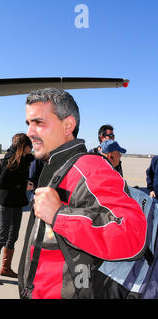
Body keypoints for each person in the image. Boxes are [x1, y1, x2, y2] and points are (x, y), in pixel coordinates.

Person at [18, 88, 147, 299]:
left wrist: (60, 215)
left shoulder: (89, 168)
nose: (30, 132)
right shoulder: (57, 166)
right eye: (28, 123)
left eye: (38, 122)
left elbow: (132, 233)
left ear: (68, 125)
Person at [0, 133, 34, 285]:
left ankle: (5, 268)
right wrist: (23, 185)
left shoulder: (25, 159)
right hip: (5, 203)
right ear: (22, 146)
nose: (30, 148)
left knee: (14, 235)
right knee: (2, 236)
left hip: (17, 202)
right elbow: (1, 184)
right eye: (29, 145)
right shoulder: (10, 160)